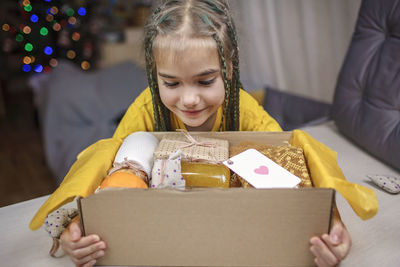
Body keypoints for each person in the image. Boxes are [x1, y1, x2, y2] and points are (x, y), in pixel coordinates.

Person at [59, 0, 351, 266]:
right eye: (171, 84)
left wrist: (332, 224)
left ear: (230, 68)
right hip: (162, 235)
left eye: (205, 81)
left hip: (235, 235)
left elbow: (291, 169)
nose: (188, 100)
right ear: (153, 73)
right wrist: (76, 226)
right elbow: (103, 175)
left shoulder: (244, 110)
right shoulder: (145, 110)